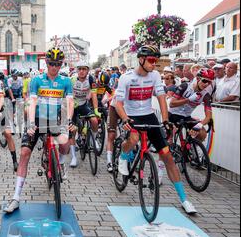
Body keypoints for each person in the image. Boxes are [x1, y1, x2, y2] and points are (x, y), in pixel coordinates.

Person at [115, 45, 197, 215]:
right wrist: (125, 119)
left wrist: (165, 120)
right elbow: (118, 103)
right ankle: (123, 157)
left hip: (149, 116)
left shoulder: (154, 77)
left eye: (156, 60)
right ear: (141, 59)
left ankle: (184, 200)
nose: (154, 64)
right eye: (151, 60)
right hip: (131, 115)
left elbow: (161, 98)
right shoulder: (126, 78)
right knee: (134, 139)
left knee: (167, 156)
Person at [3, 47, 74, 213]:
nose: (54, 67)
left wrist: (68, 120)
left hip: (56, 120)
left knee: (65, 144)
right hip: (38, 120)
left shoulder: (65, 81)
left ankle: (61, 164)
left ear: (61, 64)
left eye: (57, 64)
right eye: (51, 63)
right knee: (24, 153)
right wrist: (31, 123)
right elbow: (32, 102)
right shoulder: (37, 80)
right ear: (46, 63)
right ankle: (16, 197)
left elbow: (69, 102)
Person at [169, 69, 215, 142]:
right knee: (169, 139)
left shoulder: (206, 95)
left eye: (209, 82)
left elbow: (209, 116)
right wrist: (188, 100)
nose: (206, 84)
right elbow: (171, 104)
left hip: (186, 116)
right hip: (173, 114)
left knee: (202, 133)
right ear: (197, 78)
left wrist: (199, 125)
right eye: (204, 81)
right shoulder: (185, 86)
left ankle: (191, 148)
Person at [69, 61, 100, 168]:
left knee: (94, 121)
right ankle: (73, 157)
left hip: (83, 104)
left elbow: (94, 95)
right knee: (72, 130)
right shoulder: (72, 79)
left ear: (87, 70)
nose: (82, 71)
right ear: (77, 70)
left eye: (84, 69)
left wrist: (95, 110)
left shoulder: (91, 79)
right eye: (80, 69)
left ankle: (93, 139)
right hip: (73, 105)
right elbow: (67, 95)